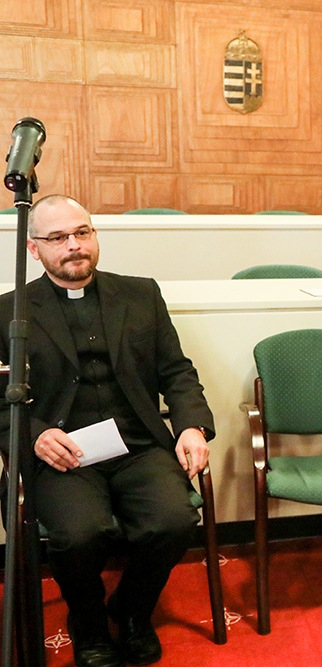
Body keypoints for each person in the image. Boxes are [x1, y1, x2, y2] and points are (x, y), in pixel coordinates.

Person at [0, 195, 214, 667]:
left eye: (82, 232)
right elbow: (0, 400)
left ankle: (132, 610)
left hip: (138, 445)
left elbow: (177, 372)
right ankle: (90, 624)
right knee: (79, 534)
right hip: (65, 455)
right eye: (58, 237)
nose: (73, 245)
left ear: (94, 235)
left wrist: (192, 427)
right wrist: (35, 434)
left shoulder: (141, 294)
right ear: (34, 249)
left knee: (174, 521)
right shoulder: (10, 311)